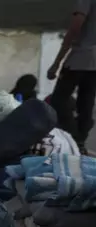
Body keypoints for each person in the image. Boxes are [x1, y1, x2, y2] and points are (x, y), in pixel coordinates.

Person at [47, 0, 96, 155]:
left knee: (58, 99)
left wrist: (57, 62)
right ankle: (80, 141)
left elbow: (75, 28)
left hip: (81, 57)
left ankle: (73, 137)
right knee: (86, 102)